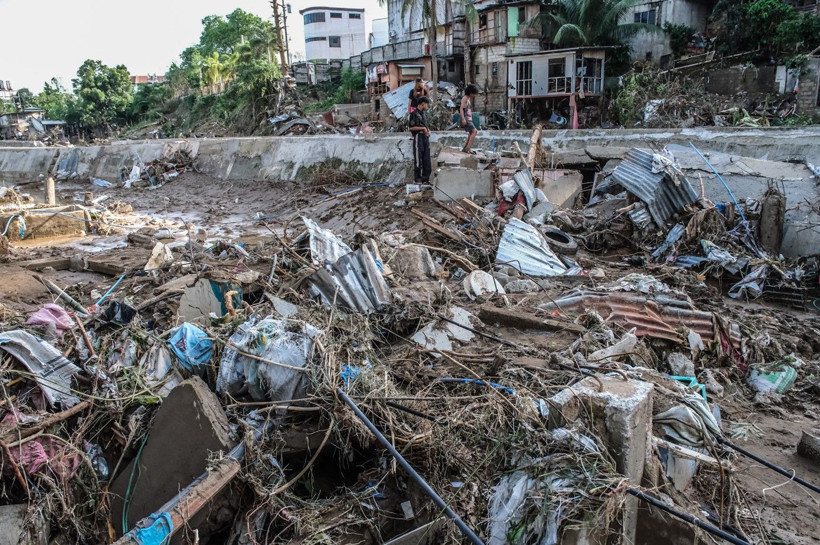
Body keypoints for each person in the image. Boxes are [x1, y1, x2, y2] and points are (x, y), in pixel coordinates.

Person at [409, 96, 432, 184]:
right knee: (419, 159)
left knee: (426, 158)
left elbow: (425, 125)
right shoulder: (414, 114)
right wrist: (422, 129)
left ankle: (425, 178)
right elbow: (411, 128)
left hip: (425, 137)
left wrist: (428, 131)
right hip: (418, 137)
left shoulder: (423, 114)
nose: (427, 106)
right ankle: (418, 178)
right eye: (426, 104)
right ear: (423, 104)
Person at [459, 84, 478, 154]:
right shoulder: (465, 98)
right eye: (474, 93)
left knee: (471, 132)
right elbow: (461, 109)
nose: (474, 95)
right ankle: (468, 148)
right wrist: (463, 119)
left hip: (468, 118)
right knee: (475, 131)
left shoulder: (468, 98)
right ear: (470, 93)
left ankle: (465, 147)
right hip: (466, 118)